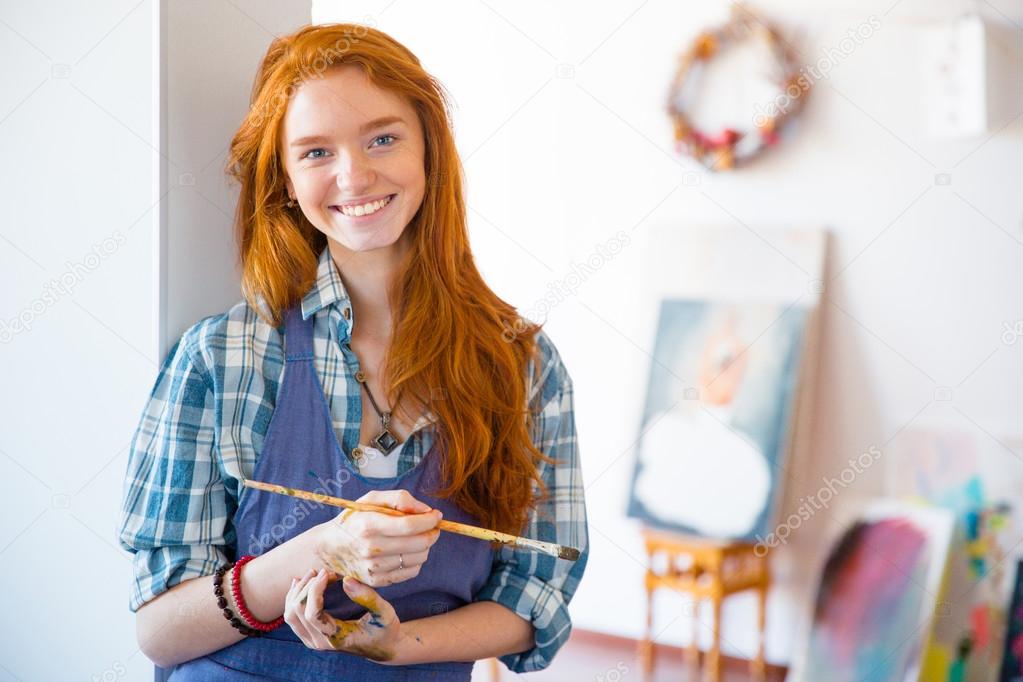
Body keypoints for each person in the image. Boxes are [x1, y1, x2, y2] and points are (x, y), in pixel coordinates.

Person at [117, 22, 587, 681]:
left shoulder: (524, 366)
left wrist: (398, 644)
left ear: (429, 150)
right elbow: (158, 630)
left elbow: (534, 597)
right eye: (314, 152)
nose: (353, 174)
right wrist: (319, 551)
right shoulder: (222, 359)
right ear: (282, 178)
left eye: (382, 138)